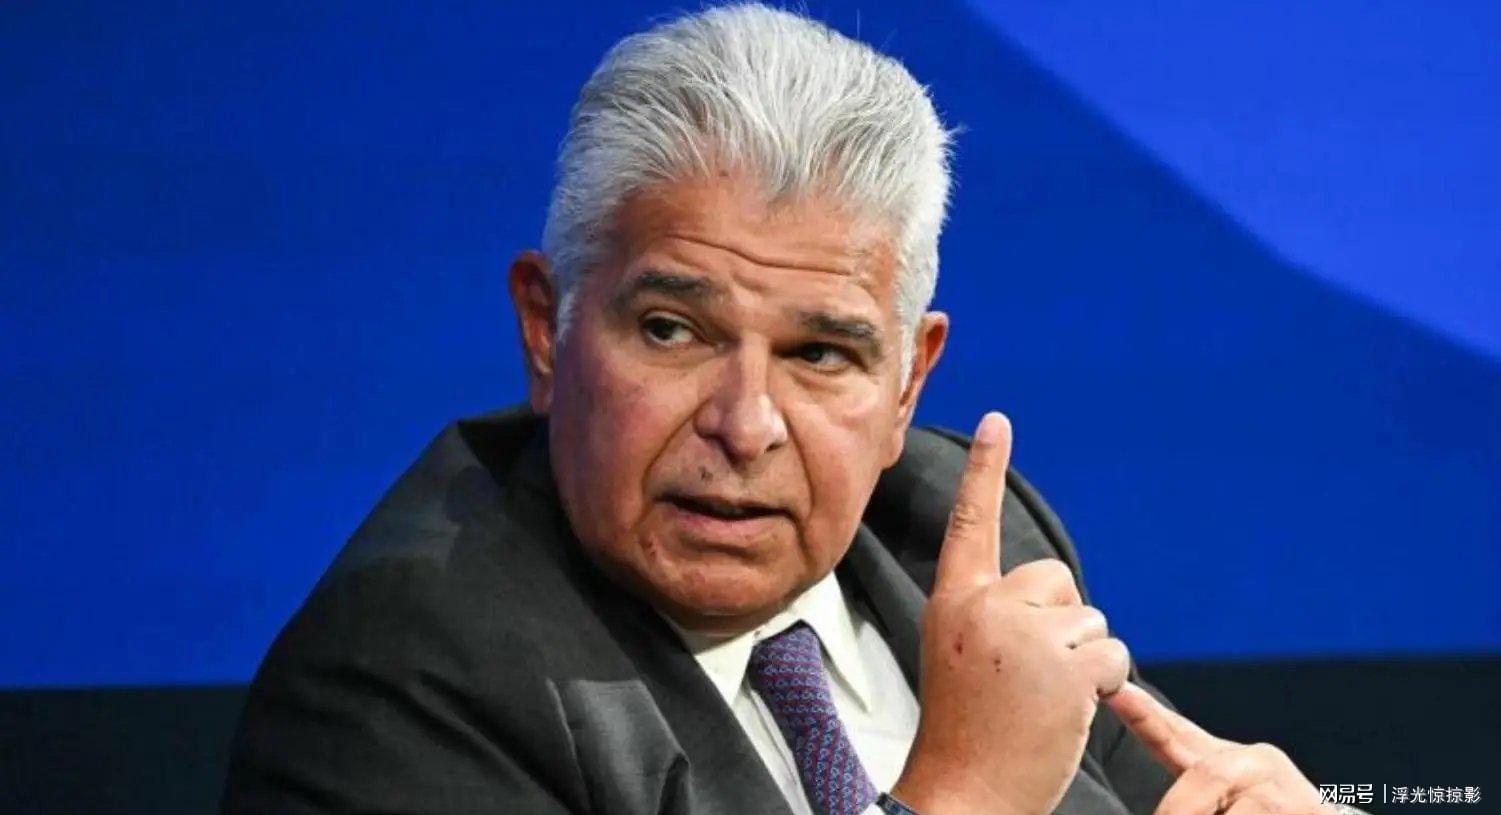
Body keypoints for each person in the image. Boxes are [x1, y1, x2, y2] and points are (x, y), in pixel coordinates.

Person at [223, 5, 1366, 814]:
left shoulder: (954, 535)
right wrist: (961, 798)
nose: (745, 423)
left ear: (907, 382)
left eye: (820, 353)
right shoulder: (396, 683)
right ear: (545, 328)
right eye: (672, 330)